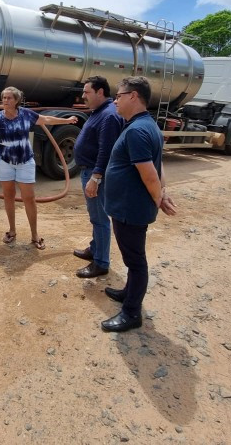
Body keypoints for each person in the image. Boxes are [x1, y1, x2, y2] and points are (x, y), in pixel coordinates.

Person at [101, 76, 177, 333]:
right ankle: (128, 293)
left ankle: (132, 313)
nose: (115, 101)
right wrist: (162, 193)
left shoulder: (136, 130)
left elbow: (148, 173)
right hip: (128, 207)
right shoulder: (146, 125)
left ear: (133, 96)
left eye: (118, 96)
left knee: (136, 261)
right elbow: (159, 164)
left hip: (130, 209)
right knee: (132, 257)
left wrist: (159, 197)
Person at [0, 86, 78, 250]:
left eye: (9, 98)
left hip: (25, 161)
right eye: (4, 98)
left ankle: (34, 234)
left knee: (29, 198)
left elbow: (46, 120)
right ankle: (12, 231)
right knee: (8, 196)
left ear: (17, 100)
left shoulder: (26, 114)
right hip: (4, 162)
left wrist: (67, 121)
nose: (5, 101)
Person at [72, 76, 124, 278]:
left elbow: (106, 150)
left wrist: (96, 177)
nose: (83, 95)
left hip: (95, 172)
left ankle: (101, 262)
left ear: (100, 92)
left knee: (100, 219)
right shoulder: (100, 112)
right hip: (89, 170)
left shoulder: (109, 116)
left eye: (87, 92)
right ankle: (95, 249)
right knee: (95, 217)